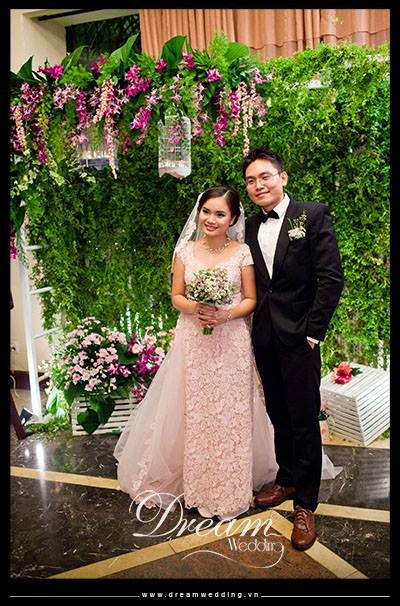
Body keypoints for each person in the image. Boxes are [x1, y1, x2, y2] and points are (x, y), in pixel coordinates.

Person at [114, 186, 278, 521]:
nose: (211, 219)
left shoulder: (242, 253)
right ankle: (198, 485)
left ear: (233, 218)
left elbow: (251, 299)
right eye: (206, 211)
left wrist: (225, 314)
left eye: (220, 214)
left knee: (229, 414)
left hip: (231, 342)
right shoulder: (185, 252)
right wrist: (197, 307)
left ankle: (230, 489)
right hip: (194, 341)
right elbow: (176, 295)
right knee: (195, 411)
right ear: (198, 212)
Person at [243, 148, 344, 550]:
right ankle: (286, 479)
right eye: (251, 180)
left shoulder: (312, 215)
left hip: (300, 338)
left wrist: (313, 333)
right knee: (278, 413)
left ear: (282, 177)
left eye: (264, 177)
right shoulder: (249, 226)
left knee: (303, 419)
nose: (258, 185)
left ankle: (305, 504)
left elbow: (331, 278)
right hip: (264, 336)